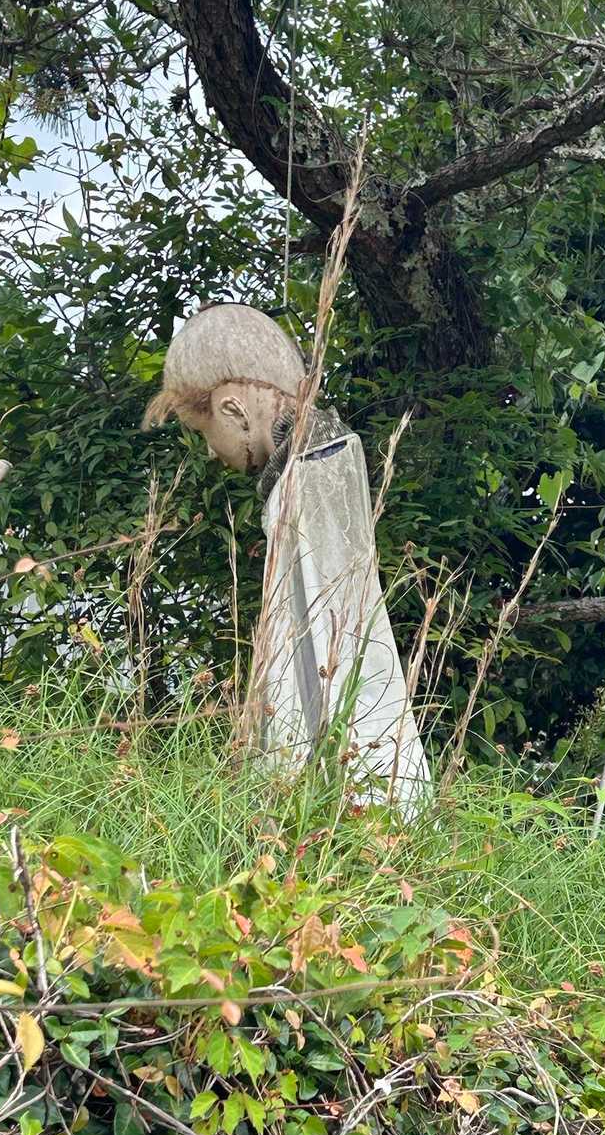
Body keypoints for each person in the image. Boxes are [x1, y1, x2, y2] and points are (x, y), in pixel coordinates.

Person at [144, 304, 429, 810]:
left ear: (232, 409)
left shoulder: (313, 471)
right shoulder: (307, 466)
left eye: (203, 431)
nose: (210, 452)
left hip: (360, 799)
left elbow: (335, 652)